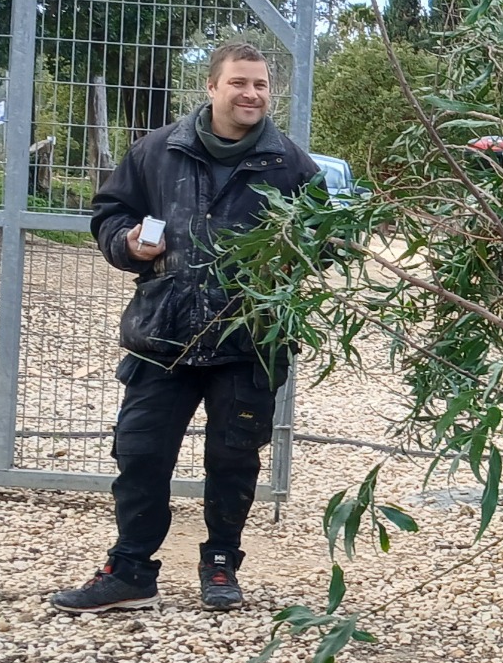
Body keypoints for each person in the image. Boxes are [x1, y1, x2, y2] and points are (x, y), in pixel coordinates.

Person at [51, 41, 319, 615]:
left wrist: (297, 258)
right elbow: (109, 213)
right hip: (162, 336)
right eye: (239, 83)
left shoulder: (290, 164)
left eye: (262, 85)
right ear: (212, 88)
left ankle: (220, 564)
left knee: (234, 459)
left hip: (248, 342)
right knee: (141, 454)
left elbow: (321, 242)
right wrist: (125, 243)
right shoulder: (157, 151)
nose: (252, 94)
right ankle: (129, 571)